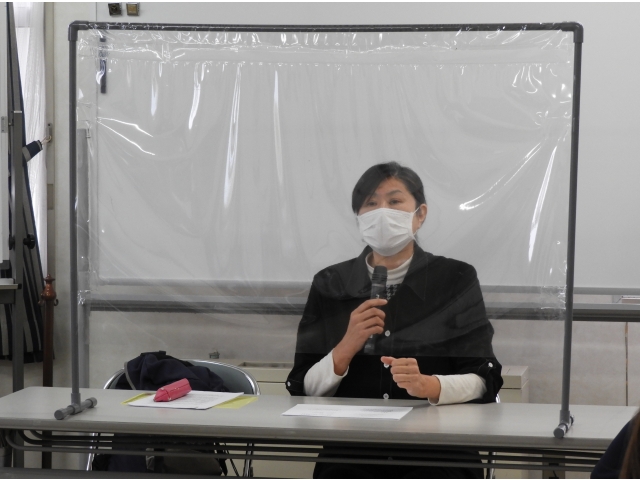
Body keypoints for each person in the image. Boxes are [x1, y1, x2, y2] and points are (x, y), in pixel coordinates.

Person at [286, 162, 503, 479]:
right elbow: (301, 387)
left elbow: (484, 379)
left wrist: (429, 385)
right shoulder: (331, 283)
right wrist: (344, 349)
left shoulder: (455, 279)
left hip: (439, 452)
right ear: (359, 217)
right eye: (371, 203)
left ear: (420, 214)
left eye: (395, 201)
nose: (382, 212)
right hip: (352, 452)